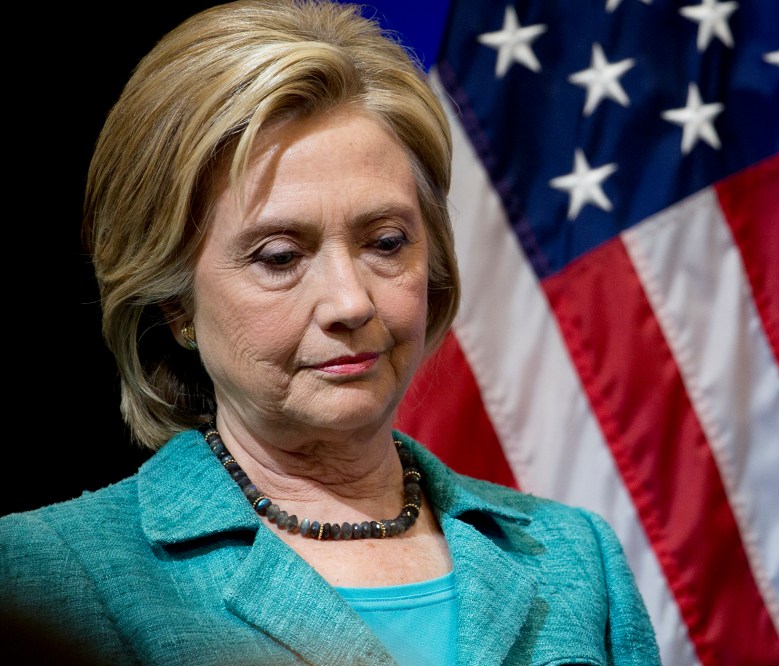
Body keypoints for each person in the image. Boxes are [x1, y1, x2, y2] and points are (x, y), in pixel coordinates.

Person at [0, 1, 660, 663]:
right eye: (281, 257)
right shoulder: (46, 576)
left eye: (386, 242)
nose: (350, 301)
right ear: (176, 305)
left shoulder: (576, 558)